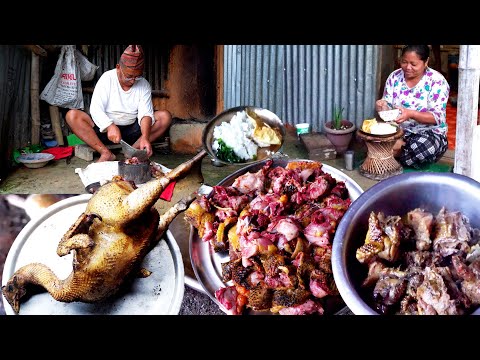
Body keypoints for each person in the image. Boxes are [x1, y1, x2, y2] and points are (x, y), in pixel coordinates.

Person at [65, 45, 172, 162]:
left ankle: (133, 151)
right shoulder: (107, 78)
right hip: (105, 132)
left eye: (137, 76)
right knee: (72, 116)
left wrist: (145, 137)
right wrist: (109, 125)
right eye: (129, 76)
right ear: (118, 68)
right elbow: (96, 109)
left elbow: (145, 113)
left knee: (164, 117)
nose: (133, 80)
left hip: (132, 131)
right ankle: (105, 152)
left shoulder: (143, 84)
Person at [375, 45, 450, 169]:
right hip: (398, 131)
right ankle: (399, 150)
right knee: (365, 136)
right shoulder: (394, 77)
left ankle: (394, 150)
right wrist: (382, 106)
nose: (407, 67)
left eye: (413, 64)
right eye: (404, 62)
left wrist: (411, 114)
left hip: (427, 133)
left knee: (425, 148)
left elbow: (437, 117)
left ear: (426, 62)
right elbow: (387, 104)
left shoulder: (437, 81)